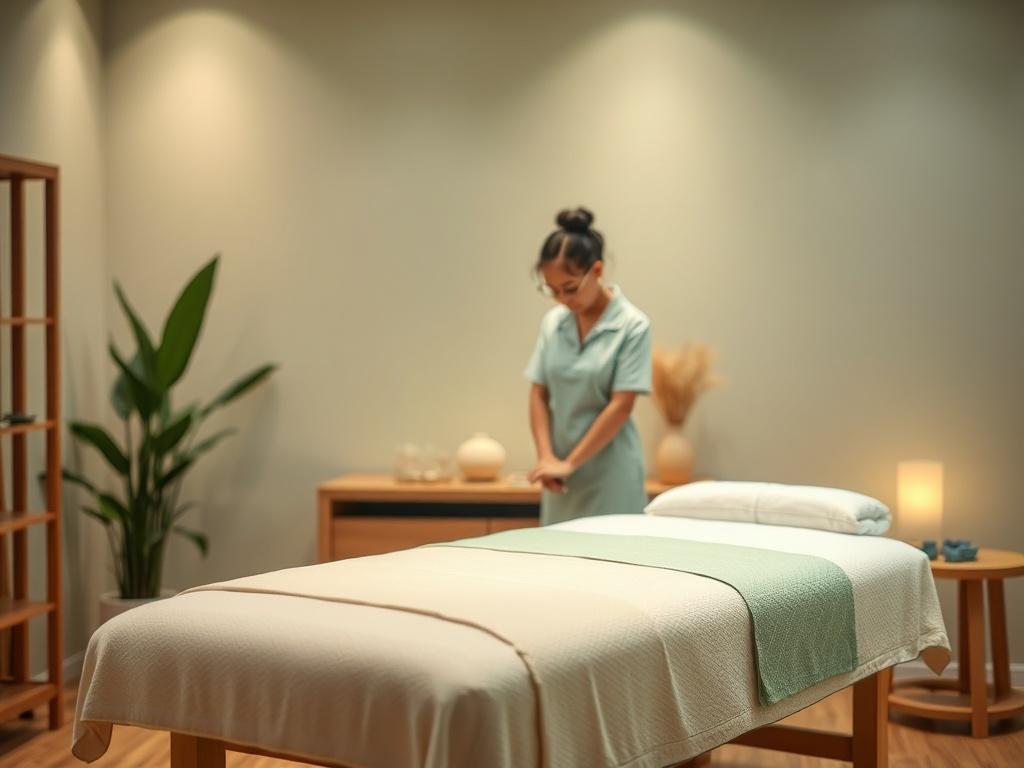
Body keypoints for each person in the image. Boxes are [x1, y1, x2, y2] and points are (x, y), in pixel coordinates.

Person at [525, 207, 652, 525]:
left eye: (570, 288)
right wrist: (547, 458)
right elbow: (538, 394)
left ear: (597, 271)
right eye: (552, 290)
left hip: (611, 474)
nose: (562, 299)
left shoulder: (632, 325)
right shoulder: (553, 323)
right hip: (560, 478)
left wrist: (570, 463)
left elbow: (621, 406)